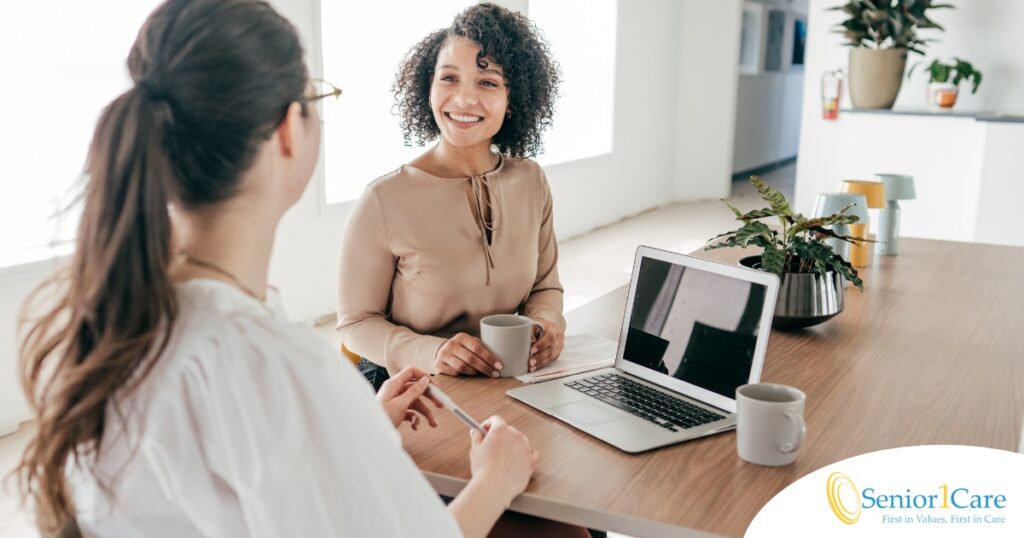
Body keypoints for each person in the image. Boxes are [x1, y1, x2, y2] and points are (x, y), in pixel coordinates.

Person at [15, 1, 546, 536]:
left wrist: (355, 427)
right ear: (292, 129)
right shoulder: (276, 365)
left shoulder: (116, 320)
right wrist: (497, 478)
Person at [337, 3, 567, 389]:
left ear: (514, 99)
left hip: (503, 381)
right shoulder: (383, 199)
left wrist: (548, 324)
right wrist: (432, 352)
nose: (463, 99)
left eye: (487, 82)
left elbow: (545, 286)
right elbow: (355, 324)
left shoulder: (531, 181)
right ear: (428, 88)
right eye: (449, 78)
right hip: (408, 387)